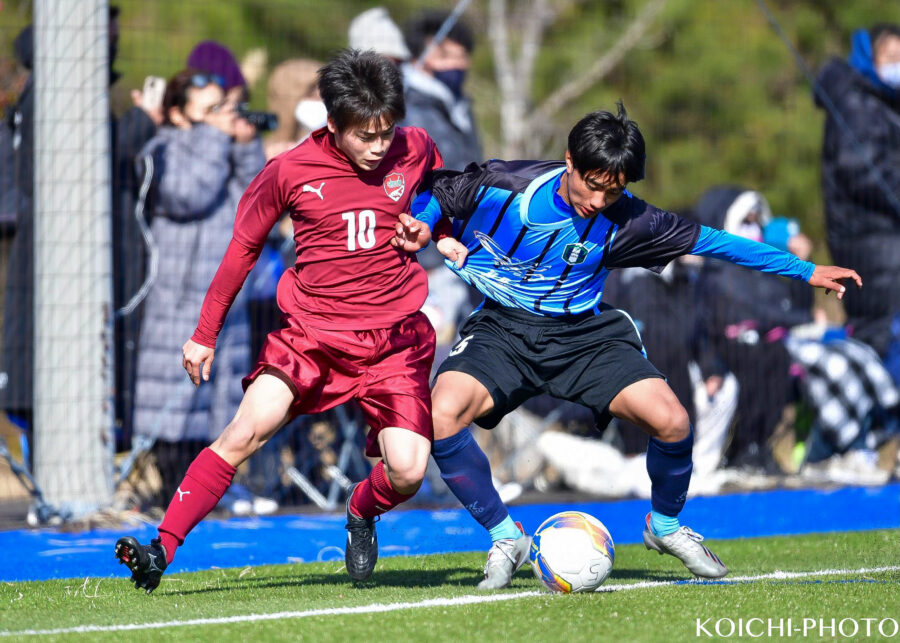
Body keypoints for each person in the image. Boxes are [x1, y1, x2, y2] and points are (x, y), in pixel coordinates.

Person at [395, 103, 861, 589]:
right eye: (591, 183)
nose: (598, 200)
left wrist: (806, 271)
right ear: (569, 160)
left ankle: (664, 526)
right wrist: (426, 226)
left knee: (674, 421)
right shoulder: (506, 184)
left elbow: (717, 243)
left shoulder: (631, 220)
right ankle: (505, 536)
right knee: (442, 413)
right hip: (502, 330)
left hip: (584, 336)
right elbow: (440, 191)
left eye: (613, 189)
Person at [113, 49, 443, 593]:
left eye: (387, 131)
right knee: (244, 432)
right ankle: (160, 549)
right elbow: (241, 251)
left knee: (407, 472)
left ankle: (360, 510)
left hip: (391, 341)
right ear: (332, 124)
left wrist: (429, 224)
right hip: (311, 336)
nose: (380, 145)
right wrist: (204, 334)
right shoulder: (288, 171)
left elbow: (439, 189)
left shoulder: (415, 145)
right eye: (365, 135)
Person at [129, 69, 264, 508]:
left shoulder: (222, 146)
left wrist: (246, 148)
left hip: (226, 299)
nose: (221, 120)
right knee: (175, 405)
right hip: (179, 298)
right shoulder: (163, 148)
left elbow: (255, 204)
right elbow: (189, 194)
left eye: (222, 108)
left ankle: (209, 493)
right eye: (209, 111)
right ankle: (172, 494)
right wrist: (218, 137)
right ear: (177, 114)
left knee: (219, 404)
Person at [816, 23, 900, 382]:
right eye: (892, 58)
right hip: (872, 246)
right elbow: (862, 171)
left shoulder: (879, 103)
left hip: (883, 244)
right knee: (882, 345)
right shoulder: (857, 103)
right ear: (871, 58)